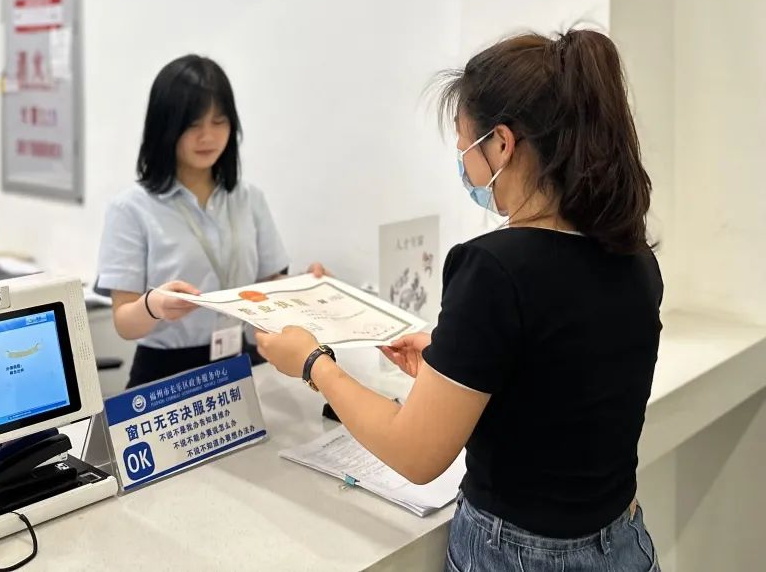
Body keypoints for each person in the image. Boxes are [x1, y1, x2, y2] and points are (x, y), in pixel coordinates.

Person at [256, 28, 663, 571]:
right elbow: (561, 385)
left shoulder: (493, 268)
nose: (463, 163)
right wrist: (459, 361)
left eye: (464, 146)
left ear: (502, 144)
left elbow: (416, 454)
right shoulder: (634, 257)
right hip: (625, 544)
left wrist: (314, 364)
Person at [96, 55, 325, 388]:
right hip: (166, 373)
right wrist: (153, 306)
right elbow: (124, 322)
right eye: (193, 125)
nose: (208, 136)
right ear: (165, 127)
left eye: (219, 122)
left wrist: (309, 287)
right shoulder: (131, 208)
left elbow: (270, 284)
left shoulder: (248, 198)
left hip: (241, 363)